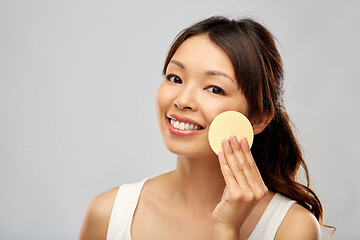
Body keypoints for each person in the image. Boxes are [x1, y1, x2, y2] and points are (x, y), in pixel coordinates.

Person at [79, 16, 324, 239]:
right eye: (175, 78)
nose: (182, 101)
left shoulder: (291, 227)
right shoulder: (107, 214)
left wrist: (226, 229)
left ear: (258, 119)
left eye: (214, 88)